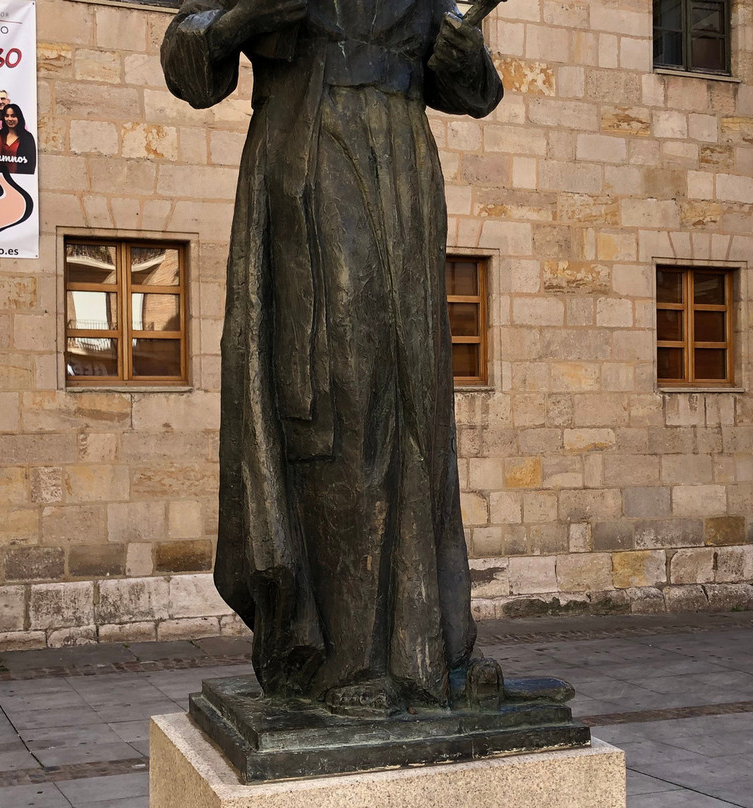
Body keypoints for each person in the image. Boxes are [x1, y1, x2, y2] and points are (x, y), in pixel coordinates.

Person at [162, 0, 502, 714]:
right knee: (337, 396)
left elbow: (475, 91)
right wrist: (243, 18)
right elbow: (191, 61)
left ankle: (434, 651)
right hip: (312, 152)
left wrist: (462, 55)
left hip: (406, 162)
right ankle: (344, 662)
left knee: (421, 403)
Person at [0, 103, 35, 174]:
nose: (10, 119)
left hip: (18, 179)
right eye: (7, 116)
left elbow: (31, 164)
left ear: (19, 117)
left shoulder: (27, 137)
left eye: (13, 116)